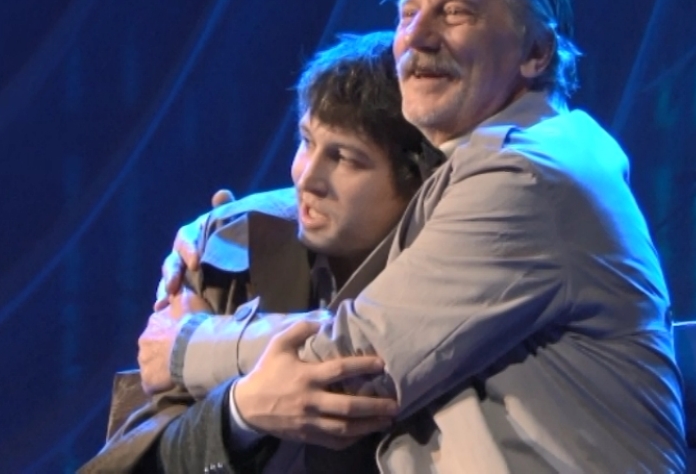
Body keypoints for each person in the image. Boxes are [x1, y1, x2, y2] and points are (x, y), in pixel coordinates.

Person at [141, 0, 686, 472]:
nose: (418, 36)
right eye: (408, 12)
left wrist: (186, 345)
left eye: (456, 12)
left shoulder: (527, 177)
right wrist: (230, 222)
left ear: (537, 52)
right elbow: (410, 194)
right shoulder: (521, 158)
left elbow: (352, 359)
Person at [80, 30, 435, 473]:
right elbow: (128, 462)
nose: (306, 177)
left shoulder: (461, 269)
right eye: (306, 141)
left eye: (344, 158)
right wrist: (240, 414)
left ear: (419, 179)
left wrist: (204, 347)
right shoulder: (230, 255)